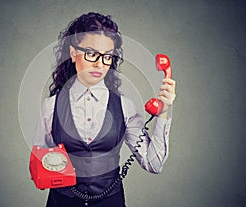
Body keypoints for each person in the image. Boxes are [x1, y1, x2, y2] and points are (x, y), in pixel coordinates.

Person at [33, 12, 176, 207]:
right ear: (73, 53)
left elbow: (154, 164)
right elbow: (38, 164)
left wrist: (163, 113)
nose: (100, 64)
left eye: (107, 56)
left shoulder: (125, 107)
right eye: (91, 54)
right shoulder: (51, 107)